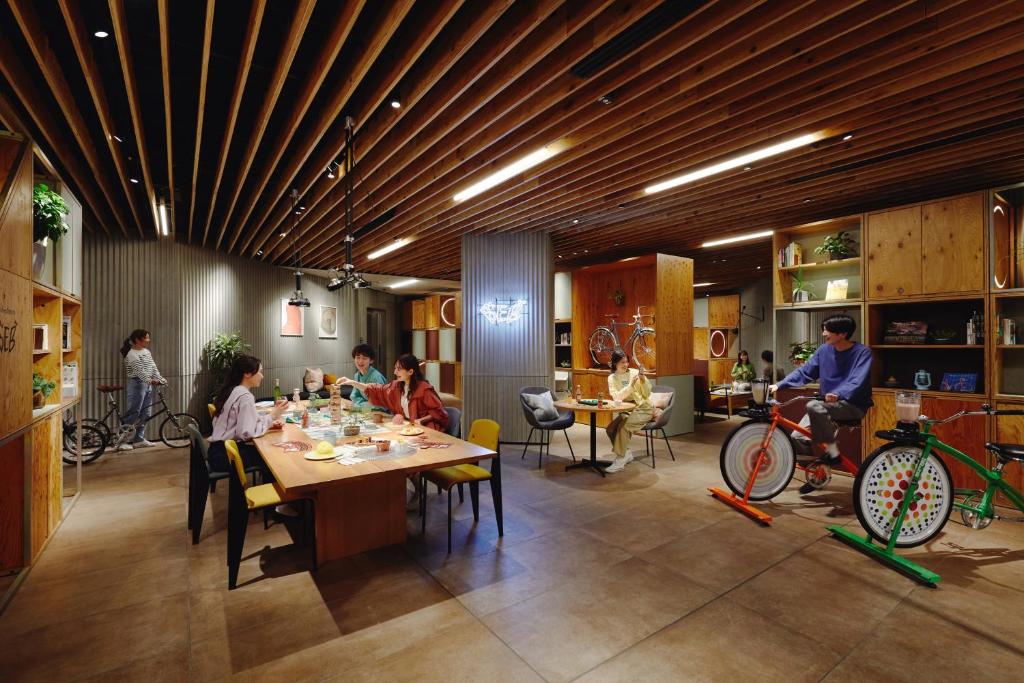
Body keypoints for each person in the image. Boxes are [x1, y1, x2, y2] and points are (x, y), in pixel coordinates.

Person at [770, 314, 873, 494]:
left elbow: (857, 380)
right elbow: (804, 372)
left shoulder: (862, 352)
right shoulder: (824, 350)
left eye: (828, 330)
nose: (824, 333)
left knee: (812, 406)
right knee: (797, 436)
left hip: (852, 405)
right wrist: (779, 384)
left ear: (842, 333)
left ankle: (832, 454)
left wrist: (839, 394)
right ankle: (818, 474)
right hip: (826, 406)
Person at [338, 353, 448, 432]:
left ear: (410, 371)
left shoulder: (424, 389)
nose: (395, 372)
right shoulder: (397, 386)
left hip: (426, 430)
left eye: (399, 369)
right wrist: (352, 382)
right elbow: (376, 390)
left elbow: (439, 413)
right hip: (407, 428)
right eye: (395, 368)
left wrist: (420, 420)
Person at [604, 350, 655, 473]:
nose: (626, 364)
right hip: (627, 410)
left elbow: (647, 393)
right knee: (610, 429)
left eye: (627, 361)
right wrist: (630, 386)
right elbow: (616, 397)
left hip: (643, 408)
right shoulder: (612, 378)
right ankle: (626, 453)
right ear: (615, 363)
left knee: (624, 428)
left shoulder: (635, 373)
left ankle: (620, 460)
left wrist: (643, 380)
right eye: (622, 362)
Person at [120, 329, 165, 450]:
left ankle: (138, 439)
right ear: (137, 340)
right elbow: (140, 371)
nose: (148, 340)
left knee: (146, 413)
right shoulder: (131, 354)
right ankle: (121, 441)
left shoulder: (146, 351)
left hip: (148, 384)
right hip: (137, 384)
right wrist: (151, 380)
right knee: (133, 412)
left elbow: (153, 367)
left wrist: (160, 378)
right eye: (146, 338)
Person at [348, 343, 387, 411]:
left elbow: (380, 404)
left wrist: (358, 406)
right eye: (358, 357)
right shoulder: (357, 375)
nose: (360, 361)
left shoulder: (376, 377)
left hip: (380, 413)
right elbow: (355, 397)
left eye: (364, 358)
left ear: (371, 360)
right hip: (366, 410)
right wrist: (362, 405)